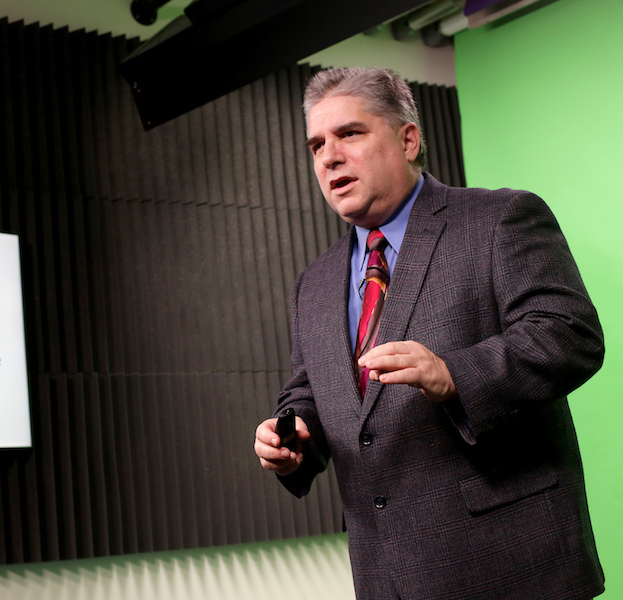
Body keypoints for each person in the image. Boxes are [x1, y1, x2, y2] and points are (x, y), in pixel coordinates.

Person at [253, 68, 604, 599]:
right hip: (384, 576)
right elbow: (310, 390)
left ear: (409, 138)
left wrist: (453, 375)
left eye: (349, 133)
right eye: (316, 144)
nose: (328, 156)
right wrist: (293, 434)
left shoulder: (500, 218)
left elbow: (569, 334)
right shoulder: (314, 283)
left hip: (514, 569)